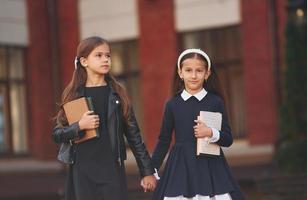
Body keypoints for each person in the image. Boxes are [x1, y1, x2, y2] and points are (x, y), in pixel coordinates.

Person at [52, 36, 156, 200]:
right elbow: (57, 134)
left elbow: (134, 137)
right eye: (99, 55)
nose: (105, 59)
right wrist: (79, 126)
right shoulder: (74, 95)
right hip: (82, 173)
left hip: (111, 171)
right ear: (84, 61)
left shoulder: (117, 94)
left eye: (108, 55)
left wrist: (147, 172)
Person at [151, 49, 245, 200]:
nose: (193, 75)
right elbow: (164, 140)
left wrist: (210, 132)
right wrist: (151, 169)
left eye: (199, 70)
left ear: (207, 74)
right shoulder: (172, 105)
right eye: (188, 70)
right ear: (180, 73)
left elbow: (228, 139)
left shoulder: (215, 101)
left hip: (210, 166)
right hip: (181, 166)